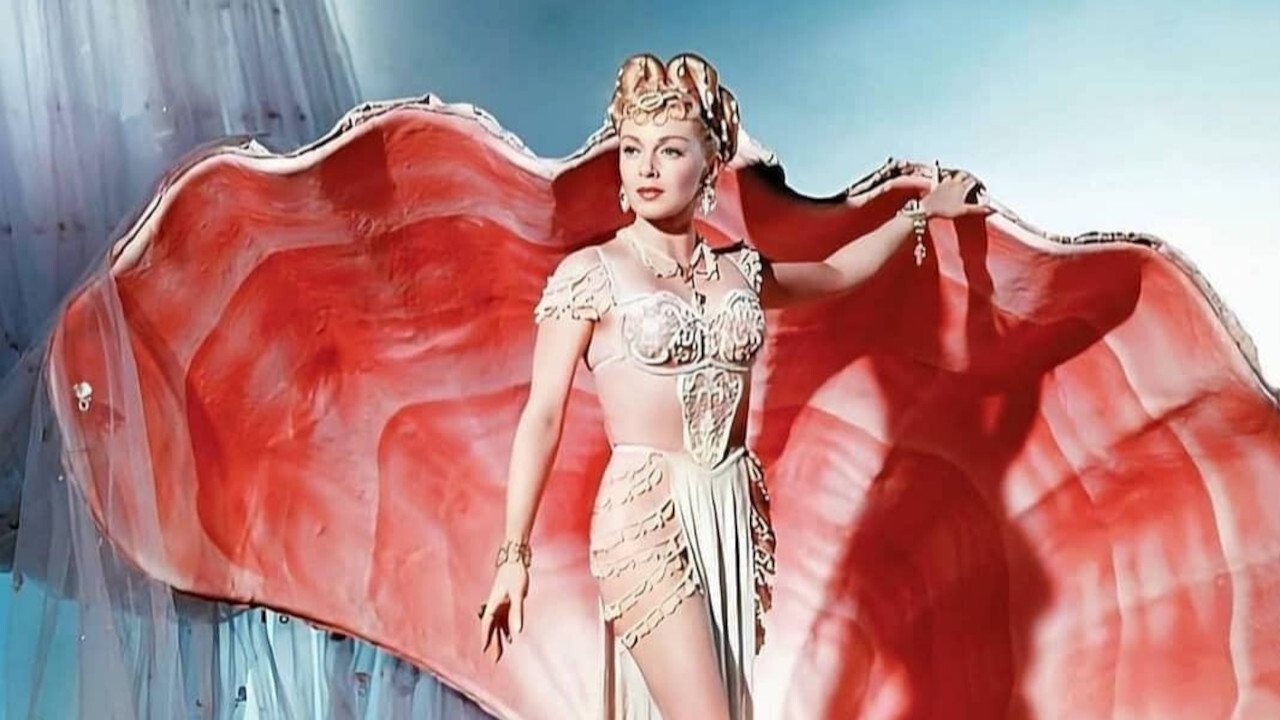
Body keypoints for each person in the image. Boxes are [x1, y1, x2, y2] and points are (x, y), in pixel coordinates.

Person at [477, 51, 993, 719]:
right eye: (632, 150)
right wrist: (513, 554)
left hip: (727, 511)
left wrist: (920, 213)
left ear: (709, 165)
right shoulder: (590, 274)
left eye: (669, 150)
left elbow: (837, 273)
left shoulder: (740, 272)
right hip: (642, 515)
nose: (646, 168)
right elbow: (542, 416)